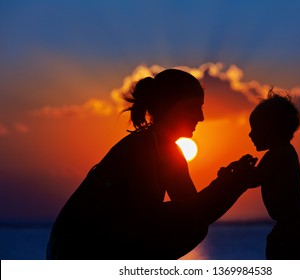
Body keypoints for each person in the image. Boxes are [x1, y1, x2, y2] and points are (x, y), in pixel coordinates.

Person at [47, 69, 257, 260]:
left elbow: (196, 215)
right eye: (192, 108)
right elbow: (150, 219)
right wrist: (225, 186)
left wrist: (232, 184)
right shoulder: (143, 148)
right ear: (165, 107)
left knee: (194, 226)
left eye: (200, 108)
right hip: (76, 252)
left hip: (106, 245)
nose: (201, 117)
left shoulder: (168, 151)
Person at [248, 90, 300, 260]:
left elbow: (254, 179)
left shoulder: (278, 153)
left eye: (255, 129)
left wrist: (237, 173)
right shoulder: (283, 152)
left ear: (271, 130)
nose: (250, 134)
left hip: (295, 225)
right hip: (296, 222)